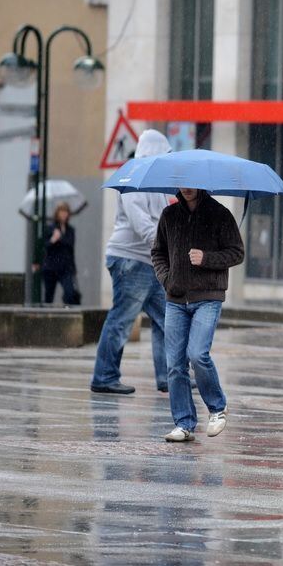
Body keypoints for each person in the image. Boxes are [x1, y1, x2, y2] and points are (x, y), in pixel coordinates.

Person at [152, 187, 244, 442]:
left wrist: (207, 258)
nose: (188, 188)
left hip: (208, 297)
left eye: (192, 182)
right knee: (174, 365)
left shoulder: (220, 214)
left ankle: (217, 408)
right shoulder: (169, 215)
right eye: (183, 183)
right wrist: (167, 279)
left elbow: (237, 252)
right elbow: (157, 252)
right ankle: (184, 423)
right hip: (176, 299)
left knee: (197, 354)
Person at [91, 130, 173, 395]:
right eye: (166, 152)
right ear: (156, 150)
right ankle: (104, 376)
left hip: (149, 261)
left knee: (167, 320)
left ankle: (169, 376)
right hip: (129, 259)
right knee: (122, 319)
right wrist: (166, 246)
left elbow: (161, 222)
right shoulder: (133, 175)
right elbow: (141, 223)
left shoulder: (157, 182)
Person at [42, 202, 80, 305]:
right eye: (61, 211)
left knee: (70, 293)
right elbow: (45, 246)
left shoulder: (70, 230)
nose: (63, 214)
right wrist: (53, 239)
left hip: (65, 268)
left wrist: (73, 268)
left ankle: (68, 314)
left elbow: (71, 248)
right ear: (57, 213)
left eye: (66, 211)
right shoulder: (50, 228)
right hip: (51, 267)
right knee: (48, 297)